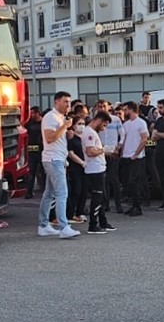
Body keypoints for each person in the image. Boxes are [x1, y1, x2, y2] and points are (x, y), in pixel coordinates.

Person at [37, 91, 79, 239]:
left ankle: (43, 225)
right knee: (62, 192)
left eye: (69, 101)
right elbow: (49, 138)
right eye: (65, 101)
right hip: (53, 159)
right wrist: (65, 127)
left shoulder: (60, 118)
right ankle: (64, 227)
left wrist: (67, 133)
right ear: (56, 102)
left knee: (50, 194)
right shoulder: (50, 117)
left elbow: (57, 138)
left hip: (57, 159)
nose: (68, 104)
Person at [82, 111, 118, 235]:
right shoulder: (89, 133)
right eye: (104, 125)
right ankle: (93, 225)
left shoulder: (93, 132)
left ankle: (103, 222)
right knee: (97, 197)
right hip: (94, 169)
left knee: (102, 197)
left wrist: (104, 150)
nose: (104, 128)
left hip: (99, 168)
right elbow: (90, 152)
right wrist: (104, 150)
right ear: (99, 120)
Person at [118, 101, 149, 216]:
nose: (124, 112)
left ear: (131, 109)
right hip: (126, 156)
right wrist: (121, 152)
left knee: (134, 182)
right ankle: (133, 205)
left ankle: (138, 207)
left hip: (136, 158)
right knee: (127, 183)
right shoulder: (126, 124)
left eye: (126, 110)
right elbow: (124, 140)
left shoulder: (141, 123)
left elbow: (144, 139)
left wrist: (136, 154)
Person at [100, 101, 124, 212]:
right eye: (100, 106)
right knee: (104, 180)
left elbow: (122, 134)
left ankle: (118, 205)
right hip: (101, 153)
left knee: (114, 179)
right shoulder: (96, 121)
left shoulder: (115, 119)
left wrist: (118, 148)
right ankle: (106, 204)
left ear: (109, 107)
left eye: (104, 106)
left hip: (113, 153)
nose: (102, 108)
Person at [24, 106, 44, 199]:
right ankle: (29, 191)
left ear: (37, 113)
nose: (30, 115)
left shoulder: (44, 123)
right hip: (32, 150)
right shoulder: (29, 123)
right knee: (31, 172)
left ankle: (45, 190)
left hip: (43, 150)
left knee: (44, 172)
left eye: (32, 113)